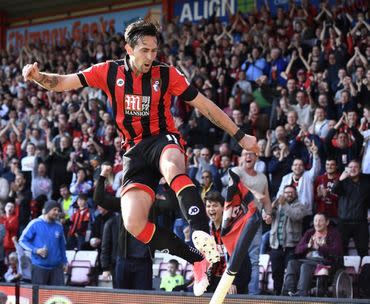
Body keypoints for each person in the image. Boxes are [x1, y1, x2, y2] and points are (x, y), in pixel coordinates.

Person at [22, 19, 259, 296]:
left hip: (163, 139)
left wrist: (240, 135)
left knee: (172, 166)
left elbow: (205, 106)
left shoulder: (167, 74)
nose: (150, 56)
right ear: (129, 49)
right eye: (144, 50)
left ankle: (200, 231)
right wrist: (38, 77)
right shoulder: (108, 71)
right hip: (133, 150)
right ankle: (197, 259)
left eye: (154, 50)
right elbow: (64, 82)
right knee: (133, 222)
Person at [231, 150, 273, 295]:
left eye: (251, 154)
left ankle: (253, 296)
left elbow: (266, 198)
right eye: (245, 154)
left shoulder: (262, 178)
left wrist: (268, 214)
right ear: (241, 157)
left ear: (257, 158)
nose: (248, 156)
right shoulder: (236, 171)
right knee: (234, 258)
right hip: (237, 221)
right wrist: (253, 193)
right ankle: (233, 292)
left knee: (254, 260)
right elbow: (235, 186)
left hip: (255, 220)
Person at [283, 213, 342, 296]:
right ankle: (288, 291)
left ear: (327, 222)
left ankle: (301, 293)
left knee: (305, 265)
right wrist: (308, 245)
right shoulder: (309, 233)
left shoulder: (333, 233)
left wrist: (320, 248)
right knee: (292, 263)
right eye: (315, 221)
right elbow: (297, 249)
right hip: (308, 260)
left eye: (320, 221)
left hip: (324, 261)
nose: (317, 223)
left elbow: (337, 251)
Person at [204, 190, 251, 294]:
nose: (211, 209)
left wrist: (235, 283)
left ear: (223, 208)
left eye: (215, 206)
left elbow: (244, 262)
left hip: (231, 282)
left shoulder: (232, 230)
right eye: (208, 206)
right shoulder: (206, 231)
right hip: (213, 281)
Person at [269, 185, 309, 295]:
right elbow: (266, 215)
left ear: (296, 194)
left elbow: (295, 215)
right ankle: (277, 294)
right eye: (286, 192)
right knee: (276, 273)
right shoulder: (278, 205)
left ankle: (289, 294)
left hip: (292, 247)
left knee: (291, 273)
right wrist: (271, 208)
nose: (289, 194)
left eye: (291, 192)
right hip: (276, 246)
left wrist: (284, 204)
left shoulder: (301, 206)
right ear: (283, 193)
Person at [19, 200, 67, 286]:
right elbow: (22, 241)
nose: (57, 212)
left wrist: (65, 261)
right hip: (39, 267)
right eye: (54, 210)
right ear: (47, 210)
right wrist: (36, 250)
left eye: (58, 210)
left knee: (58, 297)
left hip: (57, 268)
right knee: (40, 297)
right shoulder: (35, 223)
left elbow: (62, 246)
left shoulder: (59, 226)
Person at [332, 160, 370, 257]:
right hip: (343, 222)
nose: (353, 169)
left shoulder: (367, 180)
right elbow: (334, 190)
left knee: (363, 252)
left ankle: (364, 271)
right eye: (351, 167)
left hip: (361, 222)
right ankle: (341, 271)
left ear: (360, 169)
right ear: (347, 169)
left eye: (356, 167)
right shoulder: (343, 181)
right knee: (340, 251)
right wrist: (340, 179)